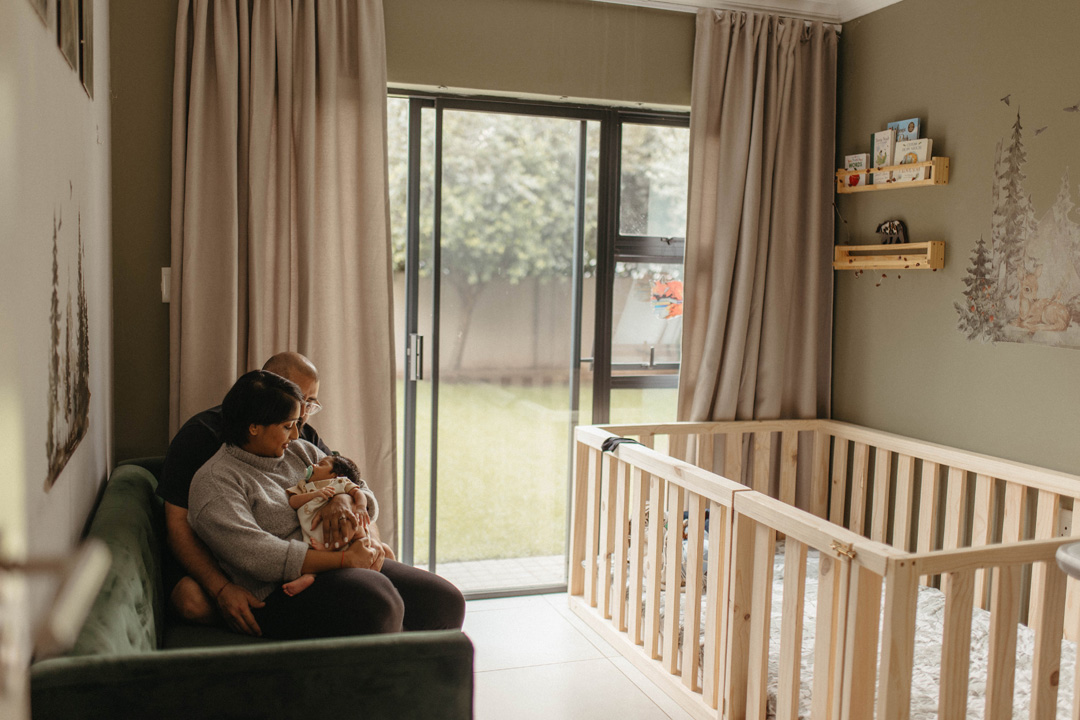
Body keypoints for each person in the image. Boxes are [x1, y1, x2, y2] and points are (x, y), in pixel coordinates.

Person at [187, 370, 464, 639]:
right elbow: (259, 555)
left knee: (445, 601)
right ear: (254, 427)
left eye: (297, 424)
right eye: (287, 426)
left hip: (343, 562)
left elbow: (361, 488)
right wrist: (344, 560)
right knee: (379, 603)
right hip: (279, 592)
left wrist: (345, 498)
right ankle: (389, 681)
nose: (296, 435)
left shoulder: (301, 451)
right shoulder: (216, 482)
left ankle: (420, 679)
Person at [159, 352, 376, 635]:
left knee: (436, 598)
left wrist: (349, 506)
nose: (303, 417)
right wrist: (222, 588)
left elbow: (351, 479)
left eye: (309, 403)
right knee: (192, 600)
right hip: (268, 570)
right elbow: (181, 526)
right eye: (298, 401)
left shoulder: (300, 439)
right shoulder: (203, 444)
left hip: (321, 553)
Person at [281, 454, 395, 597]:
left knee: (357, 529)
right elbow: (293, 502)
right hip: (315, 531)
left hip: (347, 529)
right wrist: (314, 494)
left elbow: (359, 492)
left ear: (337, 475)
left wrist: (360, 507)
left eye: (321, 464)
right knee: (315, 553)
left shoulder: (340, 483)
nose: (314, 466)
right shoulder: (303, 486)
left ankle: (386, 561)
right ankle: (309, 576)